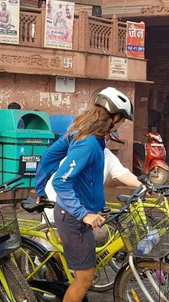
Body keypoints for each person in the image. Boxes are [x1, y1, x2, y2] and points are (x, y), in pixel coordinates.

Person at [35, 87, 133, 302]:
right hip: (74, 218)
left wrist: (40, 189)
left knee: (82, 273)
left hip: (77, 214)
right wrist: (83, 214)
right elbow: (61, 180)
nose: (121, 125)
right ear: (114, 118)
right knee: (85, 279)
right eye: (122, 121)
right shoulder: (88, 143)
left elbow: (48, 155)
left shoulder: (82, 135)